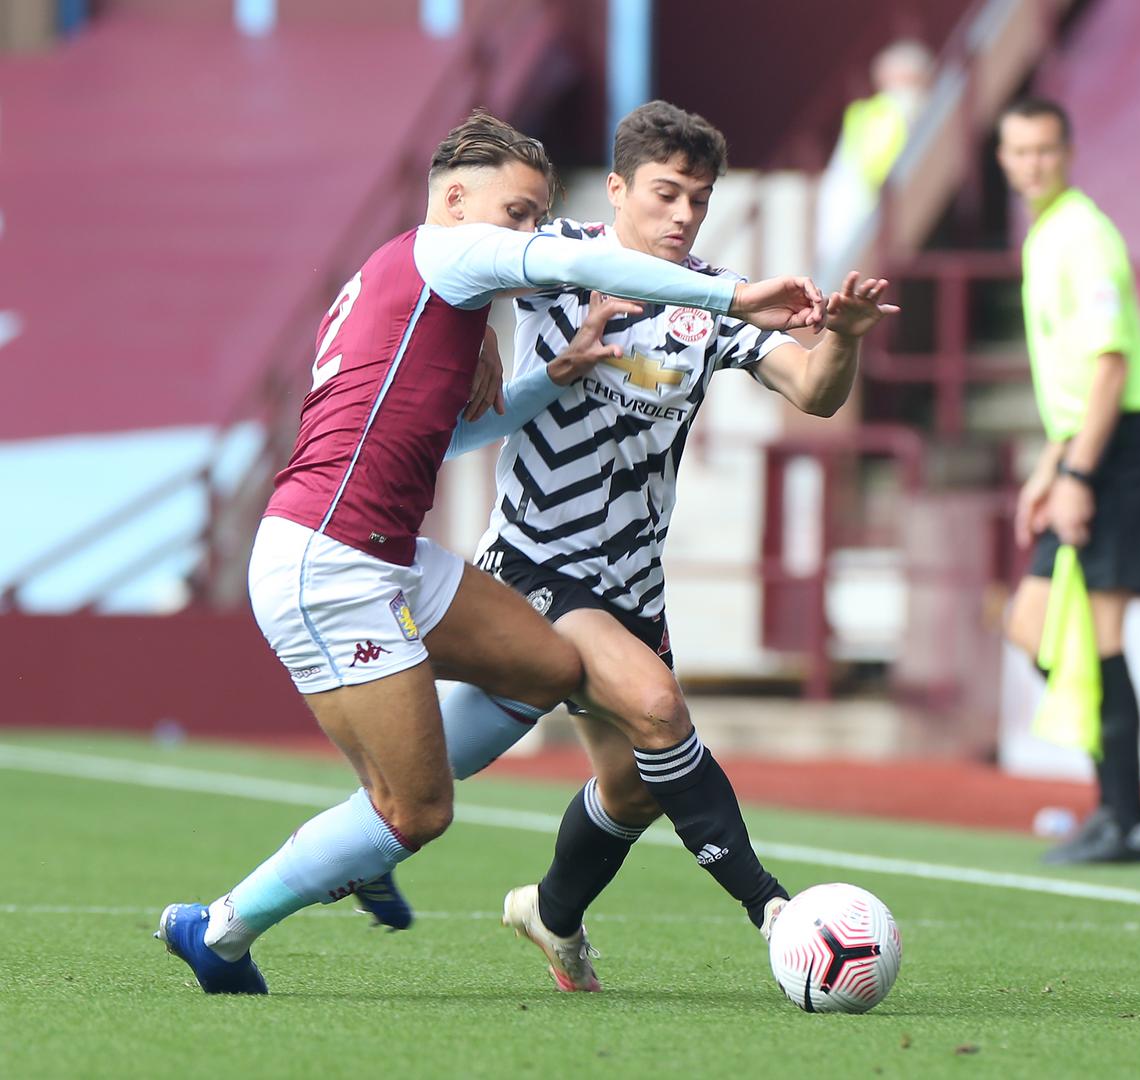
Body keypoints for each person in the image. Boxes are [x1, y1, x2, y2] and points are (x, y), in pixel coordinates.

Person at [154, 109, 827, 994]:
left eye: (535, 214)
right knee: (420, 809)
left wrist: (556, 370)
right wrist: (732, 296)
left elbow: (465, 434)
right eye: (516, 214)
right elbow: (573, 260)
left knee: (546, 667)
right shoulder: (452, 248)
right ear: (458, 197)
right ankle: (223, 929)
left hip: (389, 554)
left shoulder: (419, 281)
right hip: (328, 561)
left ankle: (372, 843)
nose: (526, 233)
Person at [362, 100, 899, 992]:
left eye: (698, 197)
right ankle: (775, 912)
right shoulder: (559, 258)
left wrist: (837, 337)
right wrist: (481, 345)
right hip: (536, 563)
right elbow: (448, 262)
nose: (683, 215)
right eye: (664, 194)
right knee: (657, 709)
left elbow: (814, 393)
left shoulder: (710, 303)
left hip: (630, 586)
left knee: (634, 787)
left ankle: (548, 910)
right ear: (616, 190)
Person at [995, 97, 1140, 864]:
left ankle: (1125, 817)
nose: (1032, 163)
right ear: (1003, 159)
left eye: (1044, 150)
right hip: (1084, 445)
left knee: (1098, 634)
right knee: (1032, 627)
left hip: (1121, 446)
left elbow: (1109, 368)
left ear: (1067, 152)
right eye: (1018, 151)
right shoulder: (1045, 237)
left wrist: (1075, 473)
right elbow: (1074, 380)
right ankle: (1113, 805)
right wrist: (1049, 466)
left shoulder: (1084, 236)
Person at [815, 38, 934, 282]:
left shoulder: (865, 111)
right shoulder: (898, 108)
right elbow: (877, 166)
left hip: (844, 210)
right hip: (863, 208)